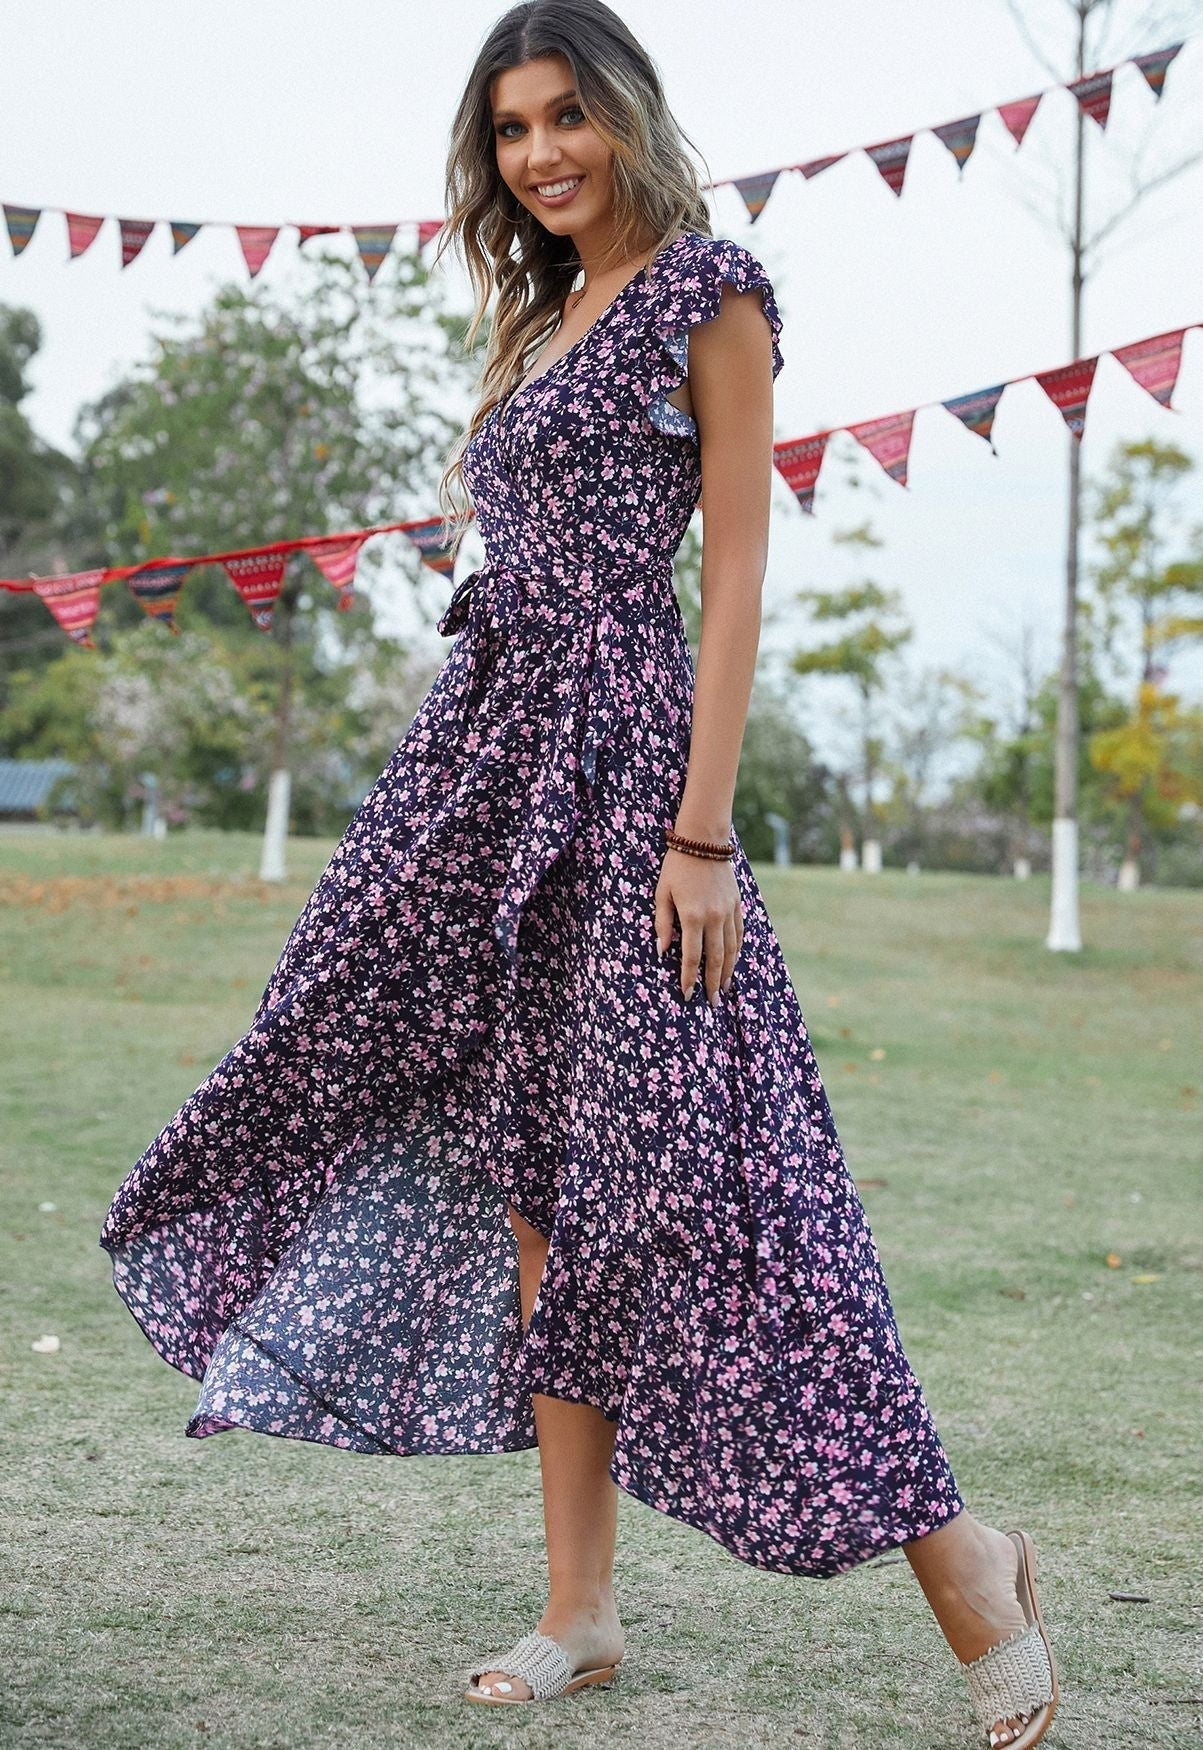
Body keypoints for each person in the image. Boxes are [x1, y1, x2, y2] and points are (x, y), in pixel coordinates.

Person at [98, 2, 1058, 1743]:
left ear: (626, 115)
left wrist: (703, 831)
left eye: (565, 118)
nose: (539, 154)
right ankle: (579, 1606)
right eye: (511, 130)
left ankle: (964, 1558)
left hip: (630, 777)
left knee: (712, 1181)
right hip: (485, 772)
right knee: (536, 1185)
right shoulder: (540, 322)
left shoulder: (715, 289)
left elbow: (739, 576)